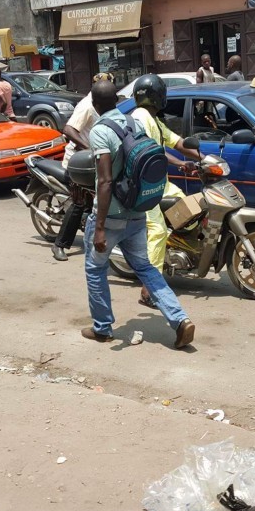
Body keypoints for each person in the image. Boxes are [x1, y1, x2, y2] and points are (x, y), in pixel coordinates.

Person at [82, 79, 196, 349]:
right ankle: (179, 319)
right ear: (118, 101)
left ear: (95, 105)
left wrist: (100, 227)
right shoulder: (133, 123)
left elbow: (105, 181)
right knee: (145, 268)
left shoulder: (100, 131)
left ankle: (102, 328)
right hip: (137, 211)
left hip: (111, 216)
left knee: (95, 269)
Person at [129, 74, 202, 308]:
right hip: (144, 189)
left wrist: (205, 159)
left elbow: (177, 142)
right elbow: (152, 151)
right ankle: (148, 291)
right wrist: (180, 163)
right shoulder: (140, 118)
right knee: (158, 231)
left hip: (160, 183)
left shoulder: (154, 120)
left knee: (189, 209)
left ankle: (176, 252)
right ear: (159, 96)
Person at [52, 73, 112, 262]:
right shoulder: (87, 106)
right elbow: (68, 130)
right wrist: (88, 149)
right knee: (80, 203)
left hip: (95, 161)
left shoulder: (107, 105)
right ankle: (59, 244)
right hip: (78, 162)